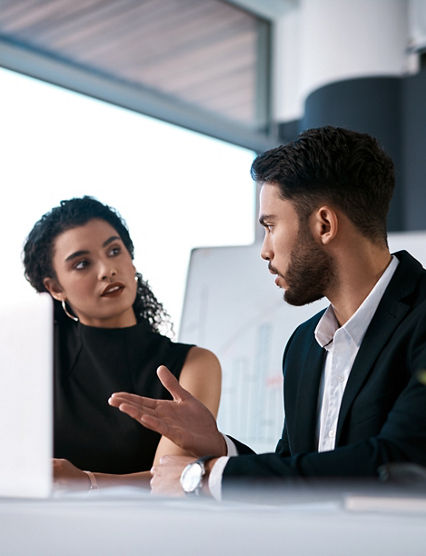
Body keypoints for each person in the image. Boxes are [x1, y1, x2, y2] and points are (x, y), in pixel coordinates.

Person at [109, 126, 426, 499]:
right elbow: (294, 465)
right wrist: (218, 446)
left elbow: (401, 462)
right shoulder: (304, 346)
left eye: (271, 226)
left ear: (324, 224)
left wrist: (207, 477)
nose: (265, 250)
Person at [23, 196, 221, 491]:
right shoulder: (32, 362)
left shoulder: (194, 364)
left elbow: (171, 482)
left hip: (153, 531)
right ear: (55, 288)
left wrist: (87, 483)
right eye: (82, 264)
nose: (107, 270)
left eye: (114, 251)